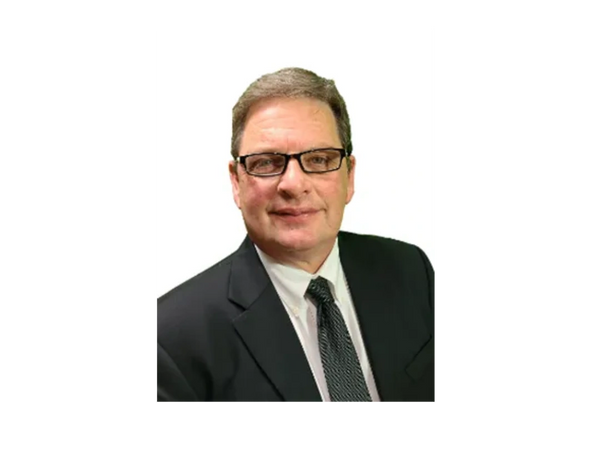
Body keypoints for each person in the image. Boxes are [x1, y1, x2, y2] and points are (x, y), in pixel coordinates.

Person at [154, 67, 438, 405]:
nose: (293, 184)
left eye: (319, 159)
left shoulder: (410, 271)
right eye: (267, 163)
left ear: (349, 176)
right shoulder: (172, 336)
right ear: (236, 182)